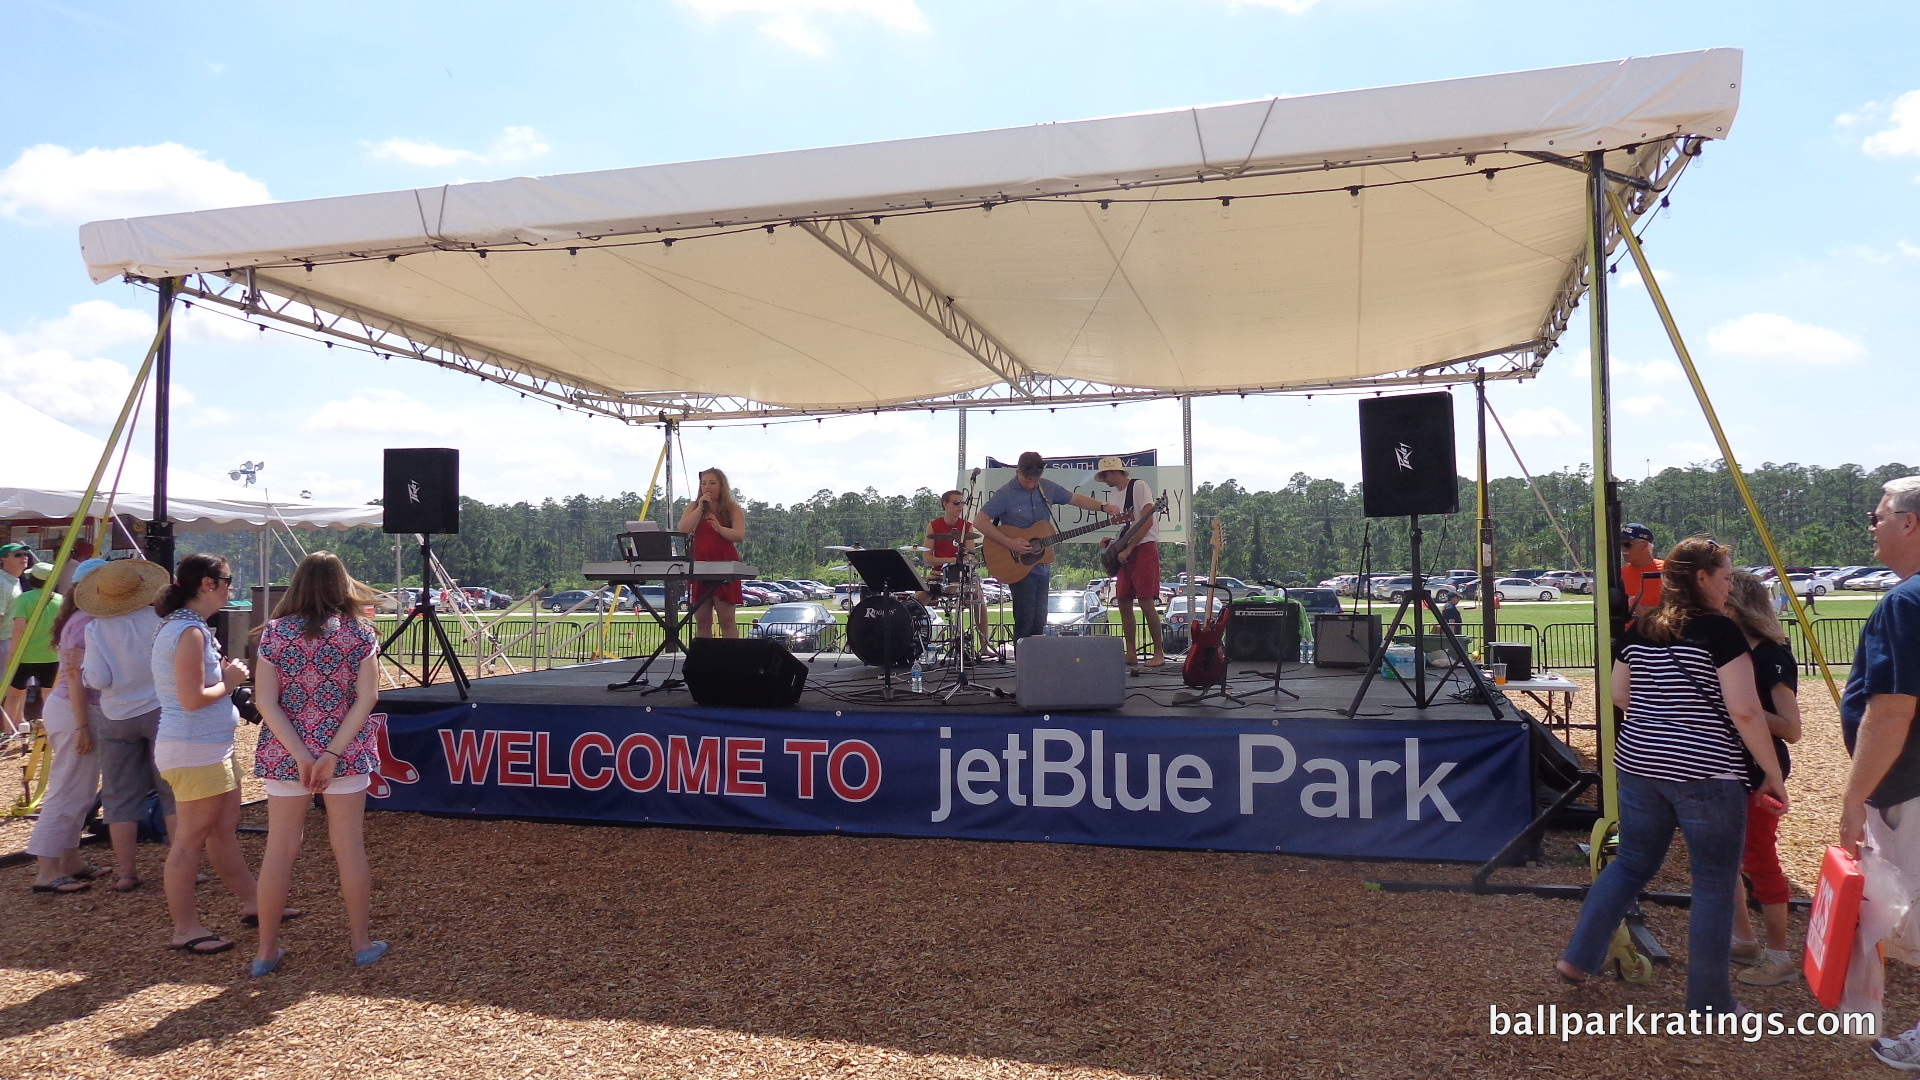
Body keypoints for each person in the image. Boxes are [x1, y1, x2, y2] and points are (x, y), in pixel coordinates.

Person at [1556, 536, 1785, 1016]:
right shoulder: (1721, 632)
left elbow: (1620, 695)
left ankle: (1578, 958)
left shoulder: (1640, 628)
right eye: (1724, 577)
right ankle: (1710, 1000)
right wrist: (1770, 771)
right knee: (1715, 883)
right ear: (1702, 578)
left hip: (1638, 765)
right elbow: (1745, 712)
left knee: (1631, 865)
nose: (1729, 587)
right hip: (1706, 772)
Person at [250, 552, 387, 976]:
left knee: (279, 849)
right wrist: (328, 755)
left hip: (285, 756)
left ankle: (266, 950)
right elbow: (367, 698)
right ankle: (361, 943)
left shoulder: (274, 634)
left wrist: (301, 755)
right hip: (344, 755)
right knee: (348, 847)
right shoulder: (359, 634)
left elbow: (265, 701)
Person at [1834, 476, 1920, 1070]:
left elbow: (1889, 712)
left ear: (1909, 523)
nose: (1872, 525)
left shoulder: (1905, 602)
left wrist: (1852, 798)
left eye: (1877, 514)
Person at [152, 553, 265, 955]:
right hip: (193, 748)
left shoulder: (190, 628)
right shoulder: (189, 632)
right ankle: (185, 927)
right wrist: (231, 680)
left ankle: (258, 903)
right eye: (228, 580)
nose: (231, 587)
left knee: (220, 831)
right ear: (207, 584)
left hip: (208, 747)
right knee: (189, 840)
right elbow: (192, 698)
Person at [1722, 570, 1802, 987]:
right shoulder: (1732, 652)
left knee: (1759, 859)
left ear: (1734, 607)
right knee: (1725, 856)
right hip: (1731, 766)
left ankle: (1779, 954)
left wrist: (1742, 705)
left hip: (1760, 769)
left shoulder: (1770, 655)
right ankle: (1744, 939)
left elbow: (1791, 727)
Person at [77, 556, 175, 893]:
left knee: (119, 795)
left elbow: (98, 679)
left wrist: (84, 673)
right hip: (162, 710)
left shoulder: (96, 628)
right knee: (171, 791)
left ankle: (126, 872)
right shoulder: (160, 621)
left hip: (116, 715)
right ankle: (183, 866)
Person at [973, 452, 1121, 643]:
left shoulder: (1046, 487)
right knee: (1024, 620)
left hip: (1042, 565)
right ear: (1018, 471)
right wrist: (1010, 542)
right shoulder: (1006, 494)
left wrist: (1103, 506)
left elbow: (1075, 499)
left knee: (1039, 621)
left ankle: (1036, 667)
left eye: (1036, 479)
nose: (1032, 484)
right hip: (1018, 565)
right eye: (1027, 479)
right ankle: (1023, 668)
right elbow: (980, 521)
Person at [24, 559, 107, 893]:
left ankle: (70, 859)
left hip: (76, 709)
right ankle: (46, 869)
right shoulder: (86, 622)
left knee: (81, 789)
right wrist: (82, 726)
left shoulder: (81, 619)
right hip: (76, 710)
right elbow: (74, 677)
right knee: (67, 789)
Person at [1094, 457, 1164, 670]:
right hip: (1126, 549)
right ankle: (1131, 651)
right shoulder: (1115, 494)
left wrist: (1130, 547)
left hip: (1144, 547)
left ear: (1116, 472)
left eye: (1105, 475)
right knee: (1123, 600)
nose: (1104, 480)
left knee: (1145, 600)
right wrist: (1113, 543)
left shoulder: (1139, 486)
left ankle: (1159, 652)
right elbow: (1126, 527)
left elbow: (1147, 521)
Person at [677, 468, 747, 639]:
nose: (707, 487)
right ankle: (704, 661)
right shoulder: (694, 507)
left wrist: (719, 528)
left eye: (712, 483)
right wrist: (701, 507)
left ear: (721, 486)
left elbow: (739, 535)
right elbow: (683, 529)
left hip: (724, 565)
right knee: (702, 621)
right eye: (704, 483)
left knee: (727, 620)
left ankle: (730, 660)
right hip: (699, 566)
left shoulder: (732, 508)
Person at [924, 490, 988, 653]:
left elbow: (970, 557)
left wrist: (960, 561)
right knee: (915, 601)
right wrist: (950, 560)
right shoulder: (934, 526)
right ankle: (912, 641)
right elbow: (927, 557)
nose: (960, 506)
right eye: (956, 503)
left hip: (961, 576)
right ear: (945, 504)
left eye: (962, 503)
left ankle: (984, 646)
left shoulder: (967, 527)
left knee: (979, 598)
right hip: (937, 575)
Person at [9, 561, 63, 737]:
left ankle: (9, 732)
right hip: (51, 655)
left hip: (24, 655)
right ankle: (50, 731)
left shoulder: (24, 599)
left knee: (14, 694)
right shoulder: (60, 600)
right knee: (49, 695)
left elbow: (19, 628)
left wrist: (12, 653)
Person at [0, 542, 31, 737]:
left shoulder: (14, 580)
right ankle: (8, 731)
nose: (24, 557)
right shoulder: (2, 584)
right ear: (3, 561)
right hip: (3, 642)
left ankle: (18, 723)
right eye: (17, 555)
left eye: (25, 553)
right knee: (8, 688)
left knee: (18, 685)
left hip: (12, 640)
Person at [1621, 523, 1663, 620]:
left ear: (1644, 545)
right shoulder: (1619, 574)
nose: (1623, 548)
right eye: (1621, 543)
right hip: (1626, 633)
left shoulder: (1667, 571)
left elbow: (1679, 608)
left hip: (1658, 632)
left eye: (1627, 544)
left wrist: (1648, 612)